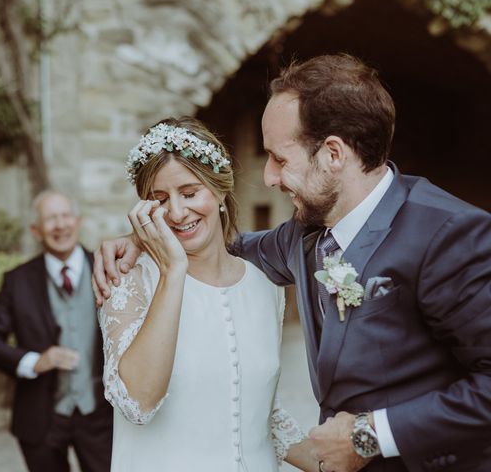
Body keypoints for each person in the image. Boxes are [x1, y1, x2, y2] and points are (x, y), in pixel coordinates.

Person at [93, 54, 491, 472]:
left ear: (333, 153)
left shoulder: (449, 234)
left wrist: (371, 434)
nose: (268, 177)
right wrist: (144, 238)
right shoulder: (303, 235)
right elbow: (221, 251)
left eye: (279, 159)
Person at [98, 117, 318, 472]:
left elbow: (257, 412)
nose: (177, 212)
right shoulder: (128, 281)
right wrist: (172, 271)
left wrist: (329, 464)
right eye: (159, 199)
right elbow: (137, 404)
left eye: (189, 193)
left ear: (218, 191)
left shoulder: (266, 287)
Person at [0, 190, 113, 472]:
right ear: (36, 230)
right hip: (40, 418)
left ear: (78, 221)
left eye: (65, 216)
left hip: (100, 414)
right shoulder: (17, 281)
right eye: (50, 219)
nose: (60, 225)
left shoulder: (108, 269)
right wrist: (33, 361)